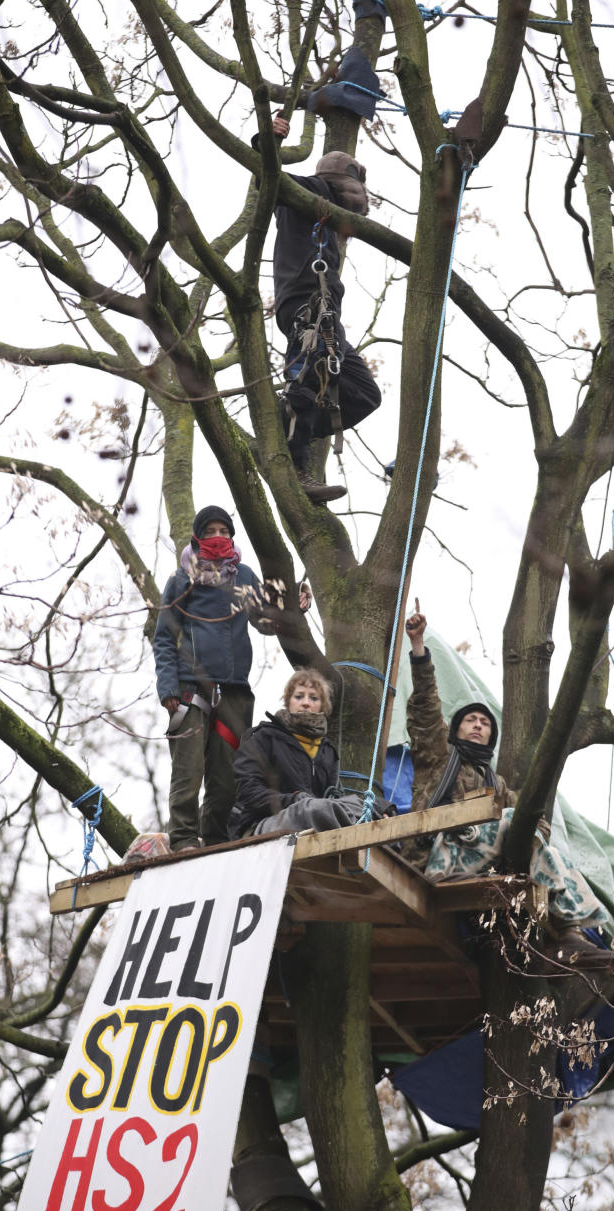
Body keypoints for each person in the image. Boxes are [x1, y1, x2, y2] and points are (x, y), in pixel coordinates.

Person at [404, 608, 614, 965]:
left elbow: (537, 824)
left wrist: (530, 837)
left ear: (490, 735)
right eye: (469, 719)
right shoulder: (438, 761)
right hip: (438, 859)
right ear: (455, 730)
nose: (477, 725)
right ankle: (569, 930)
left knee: (549, 850)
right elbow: (425, 708)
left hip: (481, 868)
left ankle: (572, 933)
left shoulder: (496, 785)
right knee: (515, 818)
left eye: (484, 722)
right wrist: (419, 645)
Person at [153, 505, 309, 852]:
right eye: (212, 531)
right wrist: (168, 688)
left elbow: (263, 623)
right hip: (190, 689)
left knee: (227, 778)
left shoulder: (244, 577)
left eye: (225, 532)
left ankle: (217, 839)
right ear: (198, 536)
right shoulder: (181, 581)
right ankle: (183, 840)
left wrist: (292, 608)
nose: (219, 537)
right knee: (189, 771)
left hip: (234, 691)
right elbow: (163, 638)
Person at [268, 112, 382, 505]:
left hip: (326, 310)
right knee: (306, 376)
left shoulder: (331, 222)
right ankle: (297, 468)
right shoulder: (309, 192)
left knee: (364, 393)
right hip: (304, 302)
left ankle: (285, 420)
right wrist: (271, 143)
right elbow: (270, 179)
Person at [228, 667, 363, 838]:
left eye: (313, 698)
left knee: (362, 805)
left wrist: (377, 808)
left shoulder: (327, 751)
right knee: (313, 809)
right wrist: (293, 799)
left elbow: (334, 796)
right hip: (264, 823)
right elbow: (248, 792)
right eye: (299, 696)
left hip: (317, 819)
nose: (305, 702)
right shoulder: (263, 738)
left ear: (323, 706)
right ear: (288, 702)